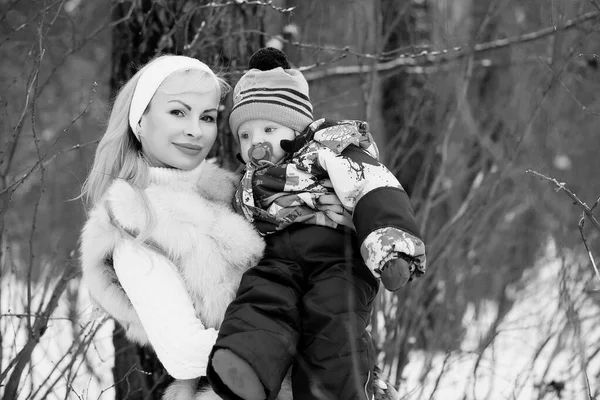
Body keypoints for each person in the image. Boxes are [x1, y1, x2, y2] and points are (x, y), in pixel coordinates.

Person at [206, 48, 427, 400]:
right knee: (260, 299)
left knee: (332, 319)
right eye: (244, 136)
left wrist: (391, 251)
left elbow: (376, 189)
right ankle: (244, 365)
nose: (254, 144)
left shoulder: (330, 151)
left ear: (296, 127)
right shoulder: (249, 183)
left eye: (267, 128)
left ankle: (332, 392)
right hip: (278, 261)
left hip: (337, 256)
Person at [78, 54, 278, 400]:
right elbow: (184, 353)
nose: (195, 130)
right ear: (139, 121)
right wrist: (296, 338)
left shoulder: (238, 191)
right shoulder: (135, 218)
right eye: (177, 112)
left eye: (208, 117)